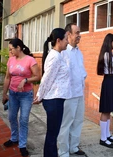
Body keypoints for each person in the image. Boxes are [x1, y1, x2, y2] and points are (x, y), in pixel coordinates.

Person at [33, 28, 71, 157]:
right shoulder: (54, 57)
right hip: (53, 100)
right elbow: (46, 79)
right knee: (52, 134)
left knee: (53, 133)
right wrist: (39, 96)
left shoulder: (58, 55)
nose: (68, 42)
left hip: (56, 99)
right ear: (59, 40)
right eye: (66, 39)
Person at [2, 38, 40, 157]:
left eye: (11, 49)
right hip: (13, 94)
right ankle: (14, 138)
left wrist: (25, 80)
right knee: (12, 117)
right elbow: (8, 77)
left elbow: (38, 76)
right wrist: (4, 93)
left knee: (23, 120)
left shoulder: (30, 60)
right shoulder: (11, 60)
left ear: (18, 48)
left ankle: (22, 145)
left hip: (26, 96)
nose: (10, 51)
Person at [57, 23, 87, 157]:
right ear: (68, 34)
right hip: (68, 94)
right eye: (77, 33)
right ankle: (63, 152)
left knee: (78, 121)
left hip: (79, 92)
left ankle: (74, 147)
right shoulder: (63, 52)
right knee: (66, 124)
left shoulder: (78, 52)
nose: (79, 35)